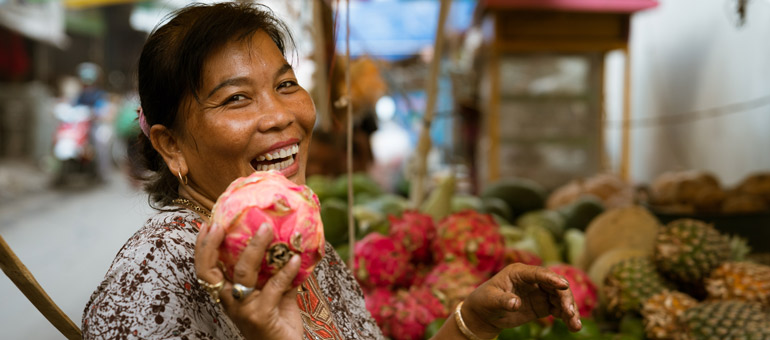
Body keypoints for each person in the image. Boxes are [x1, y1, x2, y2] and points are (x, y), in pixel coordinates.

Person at [82, 3, 582, 339]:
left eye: (285, 85)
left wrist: (470, 319)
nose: (282, 116)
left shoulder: (296, 238)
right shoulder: (156, 269)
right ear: (171, 146)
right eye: (236, 98)